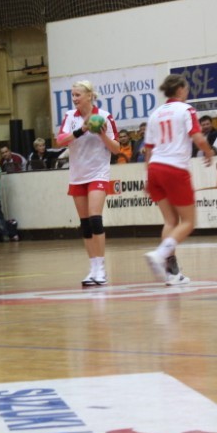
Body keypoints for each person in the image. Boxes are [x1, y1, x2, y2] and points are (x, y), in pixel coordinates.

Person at [143, 74, 214, 286]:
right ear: (181, 89)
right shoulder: (186, 110)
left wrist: (148, 176)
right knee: (189, 222)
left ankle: (172, 273)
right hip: (174, 168)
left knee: (170, 221)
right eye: (187, 89)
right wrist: (208, 152)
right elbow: (198, 137)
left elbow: (148, 150)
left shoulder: (155, 114)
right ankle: (160, 254)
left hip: (155, 168)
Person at [55, 80, 121, 287]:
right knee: (84, 224)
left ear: (89, 96)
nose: (74, 99)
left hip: (98, 173)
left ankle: (101, 268)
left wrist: (101, 134)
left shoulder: (104, 116)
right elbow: (60, 140)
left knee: (94, 219)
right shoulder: (70, 117)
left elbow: (116, 149)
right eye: (73, 95)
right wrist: (82, 130)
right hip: (78, 175)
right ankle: (92, 268)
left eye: (78, 95)